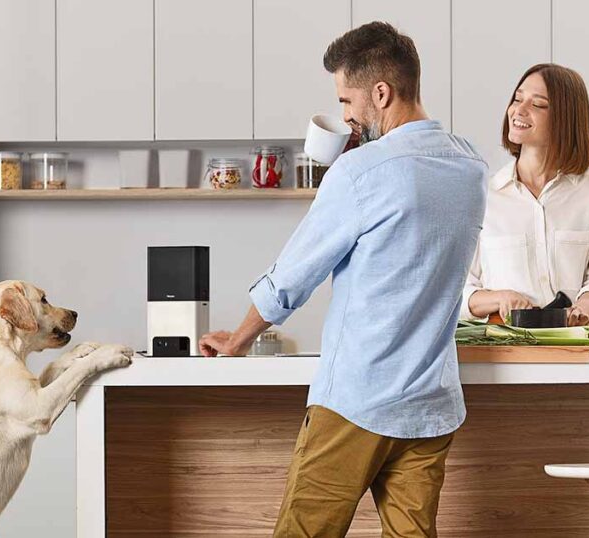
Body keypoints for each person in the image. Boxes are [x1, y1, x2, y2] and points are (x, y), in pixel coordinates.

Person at [198, 22, 487, 537]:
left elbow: (293, 276)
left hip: (357, 399)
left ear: (381, 92)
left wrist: (237, 338)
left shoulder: (359, 173)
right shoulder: (470, 165)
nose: (346, 115)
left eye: (347, 99)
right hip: (430, 404)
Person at [462, 64, 589, 326]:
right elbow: (459, 289)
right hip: (503, 352)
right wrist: (500, 298)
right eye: (517, 99)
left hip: (571, 347)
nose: (519, 110)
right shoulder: (483, 193)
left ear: (565, 118)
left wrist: (582, 309)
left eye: (538, 104)